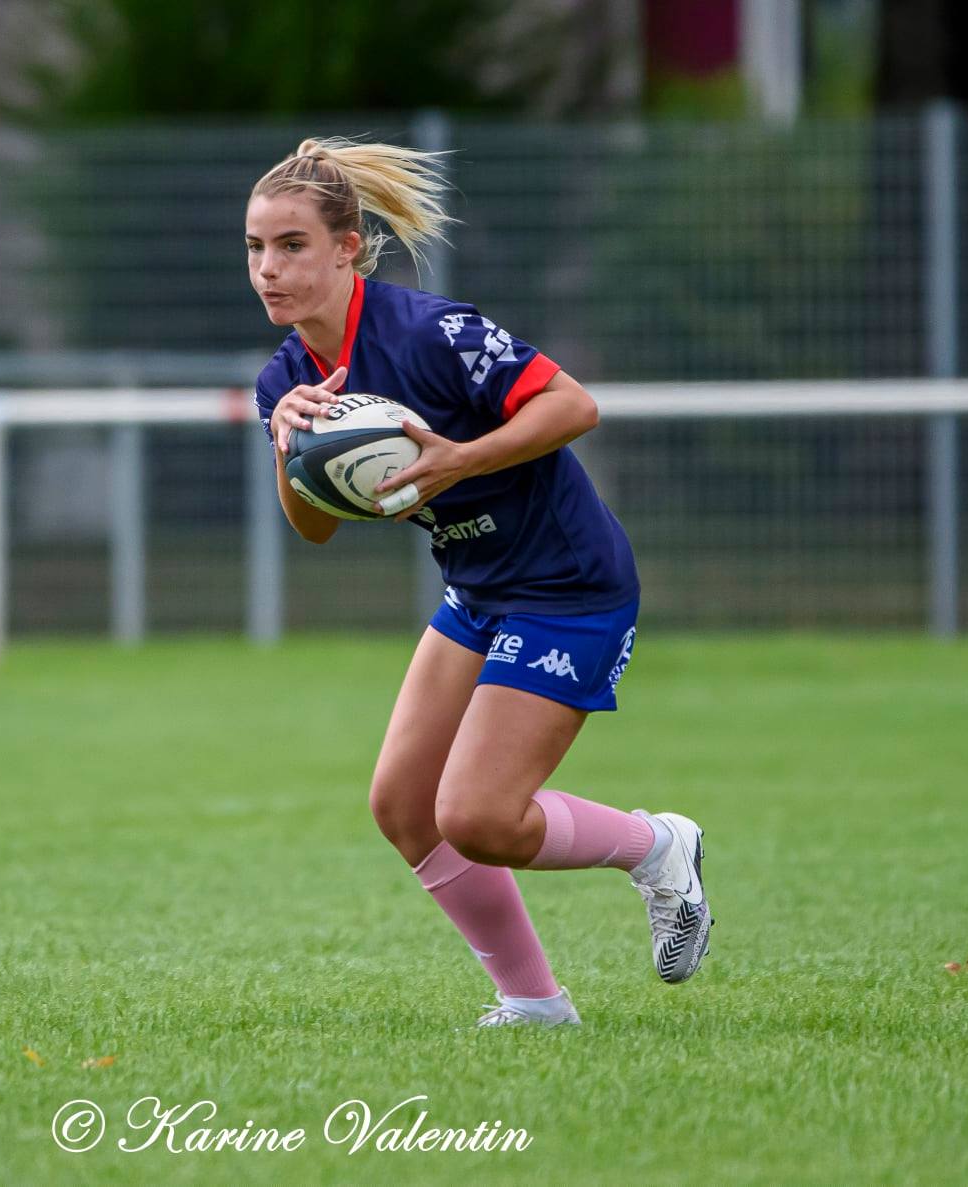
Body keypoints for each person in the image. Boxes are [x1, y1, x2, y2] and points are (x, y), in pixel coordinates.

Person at [248, 138, 712, 1028]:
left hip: (570, 586)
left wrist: (460, 459)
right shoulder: (286, 380)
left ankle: (660, 846)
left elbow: (573, 405)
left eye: (292, 245)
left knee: (479, 816)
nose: (270, 269)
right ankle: (534, 1002)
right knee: (403, 806)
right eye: (257, 249)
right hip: (478, 589)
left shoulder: (430, 332)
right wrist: (287, 449)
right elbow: (315, 528)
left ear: (347, 247)